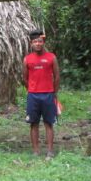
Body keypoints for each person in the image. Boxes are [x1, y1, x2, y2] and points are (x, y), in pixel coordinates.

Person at [23, 29, 61, 158]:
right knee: (33, 123)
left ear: (43, 42)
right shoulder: (27, 59)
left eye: (40, 41)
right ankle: (35, 151)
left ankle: (50, 151)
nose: (38, 44)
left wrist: (54, 92)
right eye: (35, 42)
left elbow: (57, 76)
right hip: (33, 95)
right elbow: (25, 78)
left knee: (48, 123)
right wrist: (32, 89)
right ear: (31, 43)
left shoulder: (51, 57)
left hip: (48, 94)